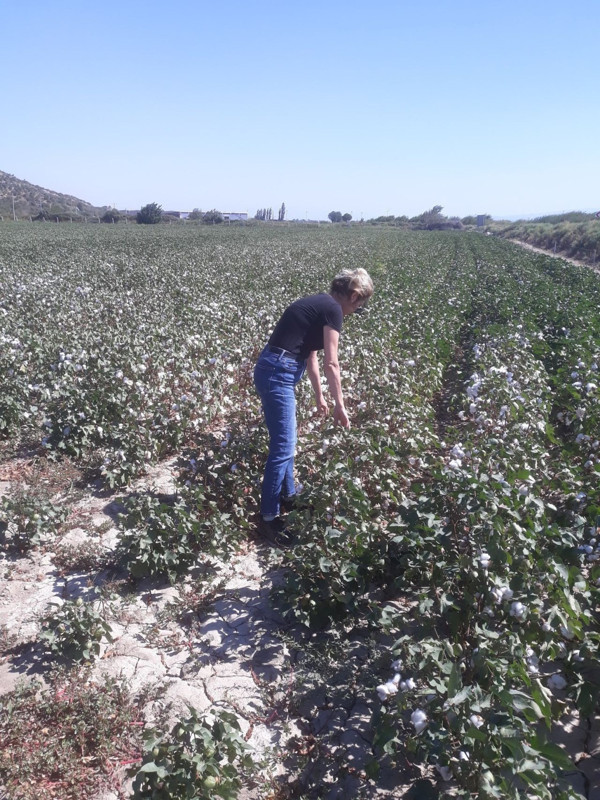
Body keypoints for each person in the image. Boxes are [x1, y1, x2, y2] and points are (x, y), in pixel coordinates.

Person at [253, 268, 374, 545]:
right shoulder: (333, 309)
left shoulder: (320, 304)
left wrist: (321, 397)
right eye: (359, 306)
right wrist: (340, 406)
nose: (355, 313)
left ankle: (289, 495)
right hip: (278, 371)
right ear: (354, 296)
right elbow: (333, 363)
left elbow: (312, 358)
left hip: (275, 367)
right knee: (283, 447)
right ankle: (269, 519)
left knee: (287, 441)